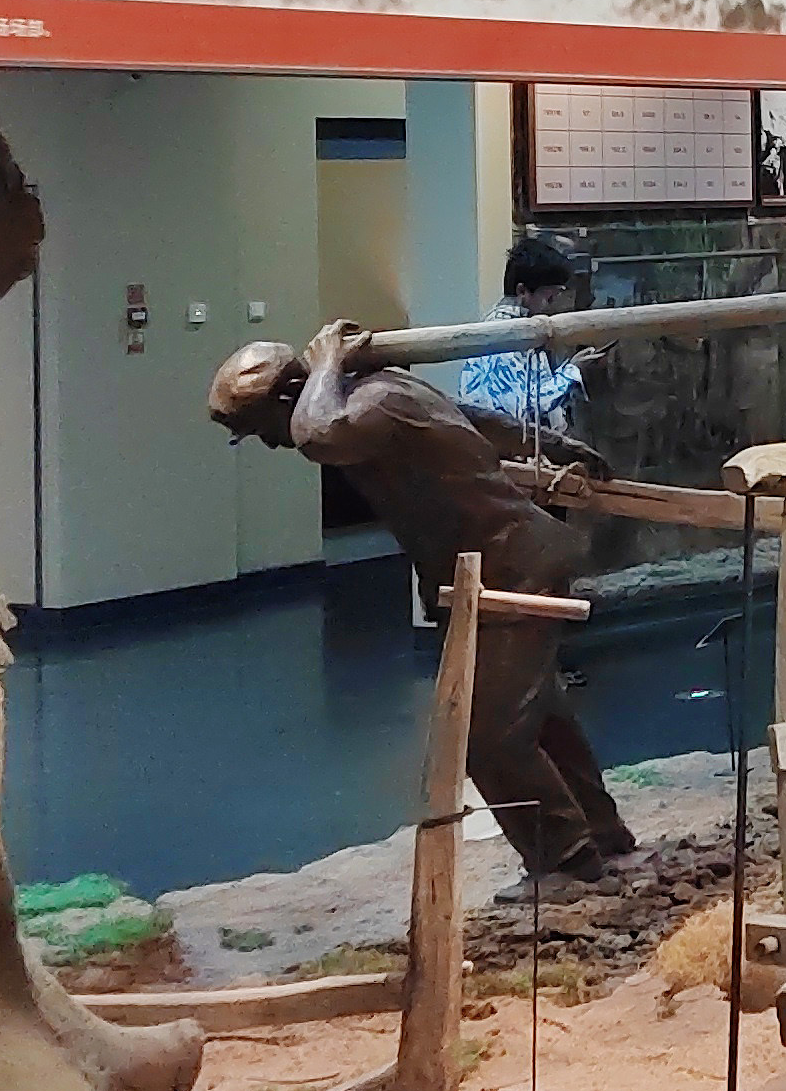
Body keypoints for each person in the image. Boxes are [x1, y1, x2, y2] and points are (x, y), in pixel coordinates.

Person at [208, 327, 641, 887]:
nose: (270, 443)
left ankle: (568, 865)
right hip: (491, 565)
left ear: (293, 394)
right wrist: (555, 445)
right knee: (540, 716)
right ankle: (601, 837)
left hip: (513, 564)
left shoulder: (370, 404)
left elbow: (319, 435)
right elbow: (466, 418)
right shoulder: (384, 394)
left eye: (261, 428)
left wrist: (326, 363)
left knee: (487, 739)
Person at [459, 233, 597, 447]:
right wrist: (572, 372)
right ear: (522, 291)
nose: (554, 306)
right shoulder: (504, 335)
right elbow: (522, 409)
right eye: (549, 298)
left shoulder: (522, 330)